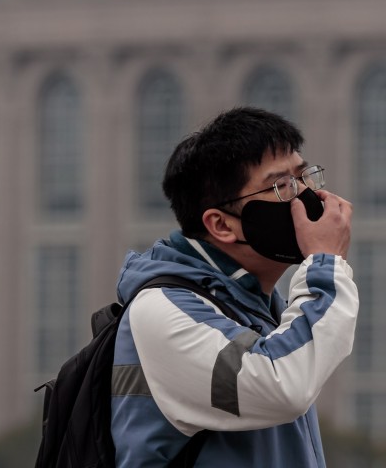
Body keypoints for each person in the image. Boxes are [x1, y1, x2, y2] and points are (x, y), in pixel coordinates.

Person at [110, 106, 357, 467]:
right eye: (282, 186)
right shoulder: (162, 310)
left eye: (304, 177)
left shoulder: (257, 308)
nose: (306, 196)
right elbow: (283, 385)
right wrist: (325, 263)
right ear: (222, 225)